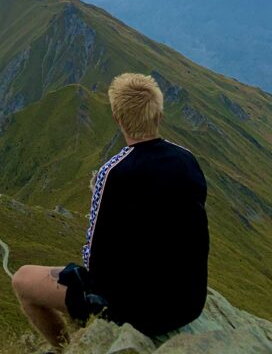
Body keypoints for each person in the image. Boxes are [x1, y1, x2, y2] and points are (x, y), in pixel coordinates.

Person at [11, 72, 209, 351]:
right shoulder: (187, 159)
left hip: (140, 312)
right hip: (189, 302)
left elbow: (94, 260)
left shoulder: (112, 172)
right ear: (160, 115)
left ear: (118, 119)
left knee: (23, 280)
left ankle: (68, 348)